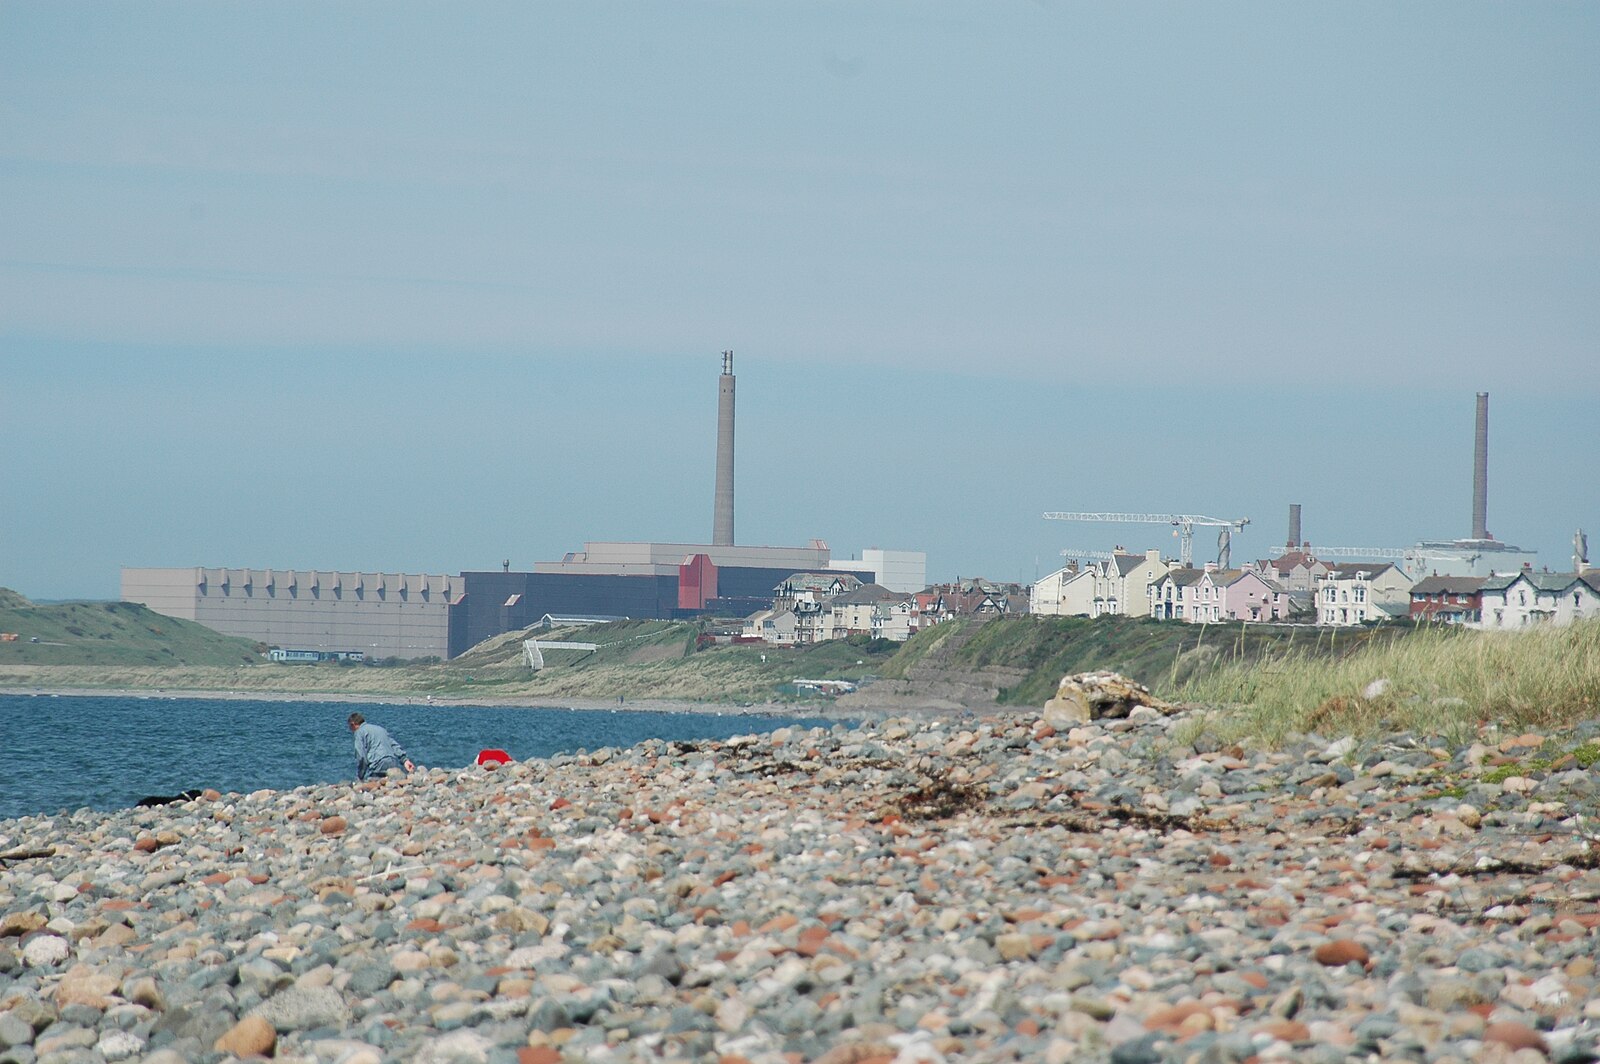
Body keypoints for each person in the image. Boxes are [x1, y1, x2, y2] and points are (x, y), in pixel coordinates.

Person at [348, 712, 415, 780]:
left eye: (350, 727)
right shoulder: (380, 729)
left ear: (353, 724)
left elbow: (361, 756)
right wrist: (405, 760)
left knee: (369, 784)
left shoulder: (359, 732)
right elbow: (394, 745)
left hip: (377, 764)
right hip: (392, 762)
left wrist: (360, 775)